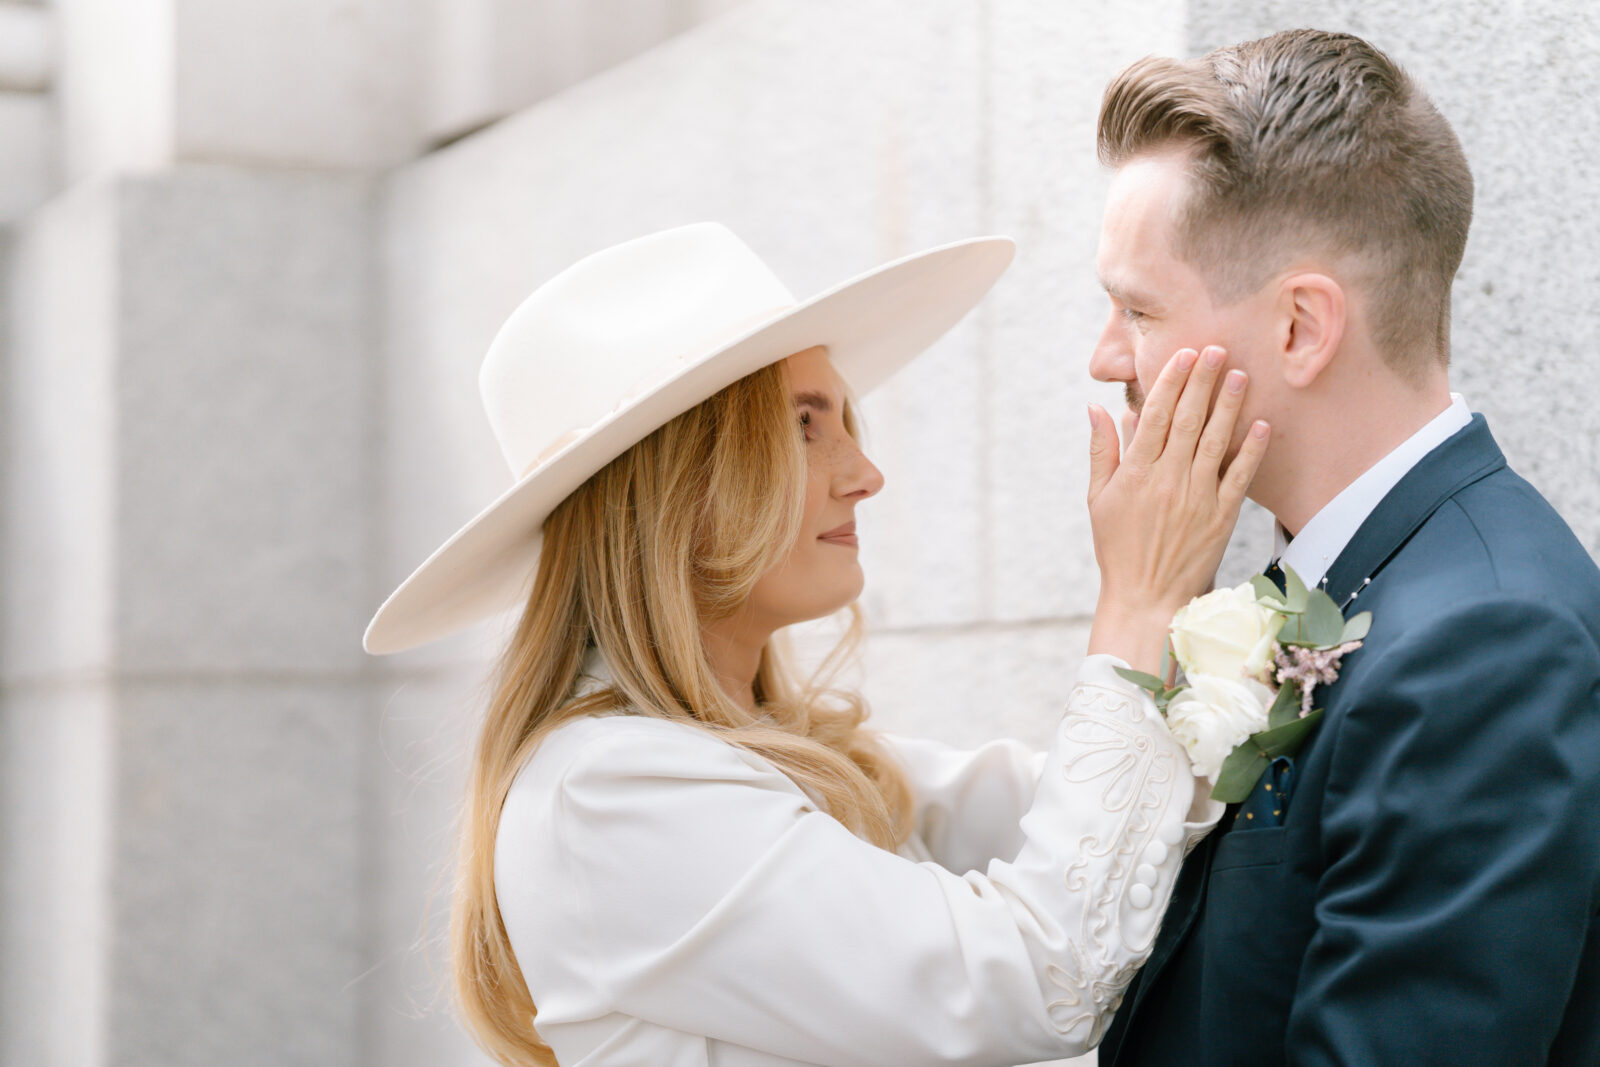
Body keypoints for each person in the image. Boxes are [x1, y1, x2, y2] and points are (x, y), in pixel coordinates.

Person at [364, 222, 1268, 1065]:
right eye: (804, 425)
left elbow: (1071, 816)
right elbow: (1042, 976)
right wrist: (1141, 601)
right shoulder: (608, 790)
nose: (865, 474)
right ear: (675, 485)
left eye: (844, 420)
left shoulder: (769, 757)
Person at [1089, 29, 1600, 1065]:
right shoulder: (1335, 577)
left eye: (1136, 309)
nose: (1105, 358)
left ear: (1298, 329)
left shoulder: (1485, 643)